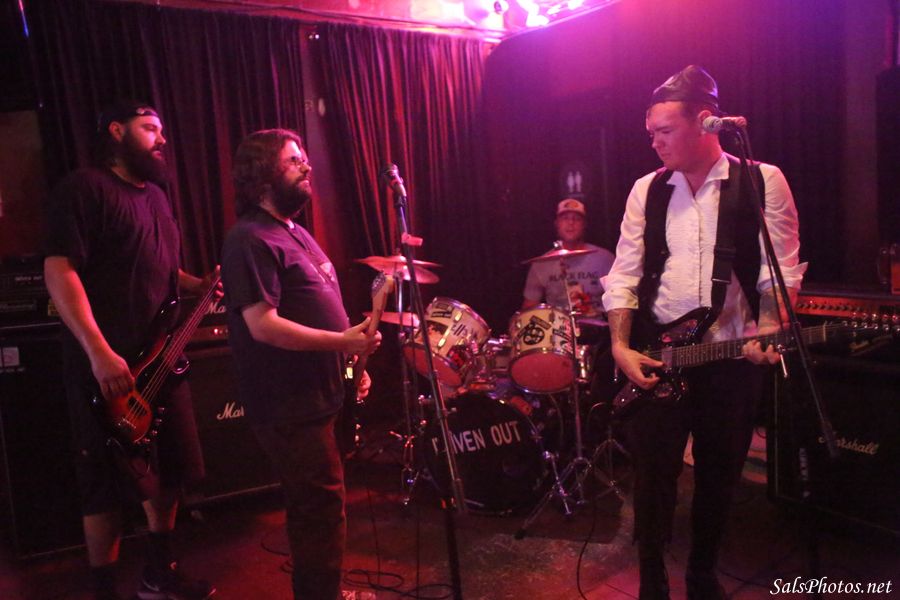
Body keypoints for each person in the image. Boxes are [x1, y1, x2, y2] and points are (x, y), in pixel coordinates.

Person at [601, 65, 805, 600]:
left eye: (665, 130)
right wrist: (620, 346)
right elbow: (624, 272)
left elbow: (778, 270)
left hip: (731, 359)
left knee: (719, 476)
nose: (654, 142)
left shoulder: (762, 180)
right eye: (651, 132)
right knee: (653, 478)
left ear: (707, 123)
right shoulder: (647, 189)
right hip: (659, 355)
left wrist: (770, 327)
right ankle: (651, 580)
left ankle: (701, 574)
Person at [44, 101, 217, 600]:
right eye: (150, 129)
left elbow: (154, 265)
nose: (162, 139)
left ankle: (158, 574)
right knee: (105, 485)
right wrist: (98, 351)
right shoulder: (84, 188)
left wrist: (197, 284)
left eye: (162, 130)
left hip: (162, 361)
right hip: (106, 366)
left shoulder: (157, 198)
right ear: (117, 131)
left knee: (170, 472)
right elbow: (60, 269)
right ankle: (105, 592)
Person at [220, 129, 381, 600]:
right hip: (289, 404)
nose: (306, 166)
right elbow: (262, 325)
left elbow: (318, 307)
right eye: (294, 160)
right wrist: (342, 341)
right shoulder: (249, 238)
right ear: (263, 174)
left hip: (320, 394)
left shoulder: (295, 232)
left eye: (305, 158)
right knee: (318, 509)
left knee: (322, 507)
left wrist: (351, 362)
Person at [522, 198, 616, 317]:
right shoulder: (541, 264)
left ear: (584, 224)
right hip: (558, 326)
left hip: (597, 325)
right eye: (565, 218)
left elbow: (620, 300)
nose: (571, 223)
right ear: (557, 224)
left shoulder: (605, 259)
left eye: (576, 219)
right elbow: (529, 309)